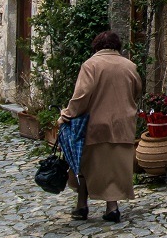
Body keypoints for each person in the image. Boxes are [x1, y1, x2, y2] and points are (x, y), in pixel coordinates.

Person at [59, 31, 141, 221]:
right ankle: (112, 208)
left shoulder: (91, 65)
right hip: (123, 125)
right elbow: (136, 92)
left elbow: (81, 96)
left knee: (84, 165)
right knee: (115, 167)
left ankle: (81, 205)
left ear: (96, 46)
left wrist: (67, 114)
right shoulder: (130, 66)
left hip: (95, 125)